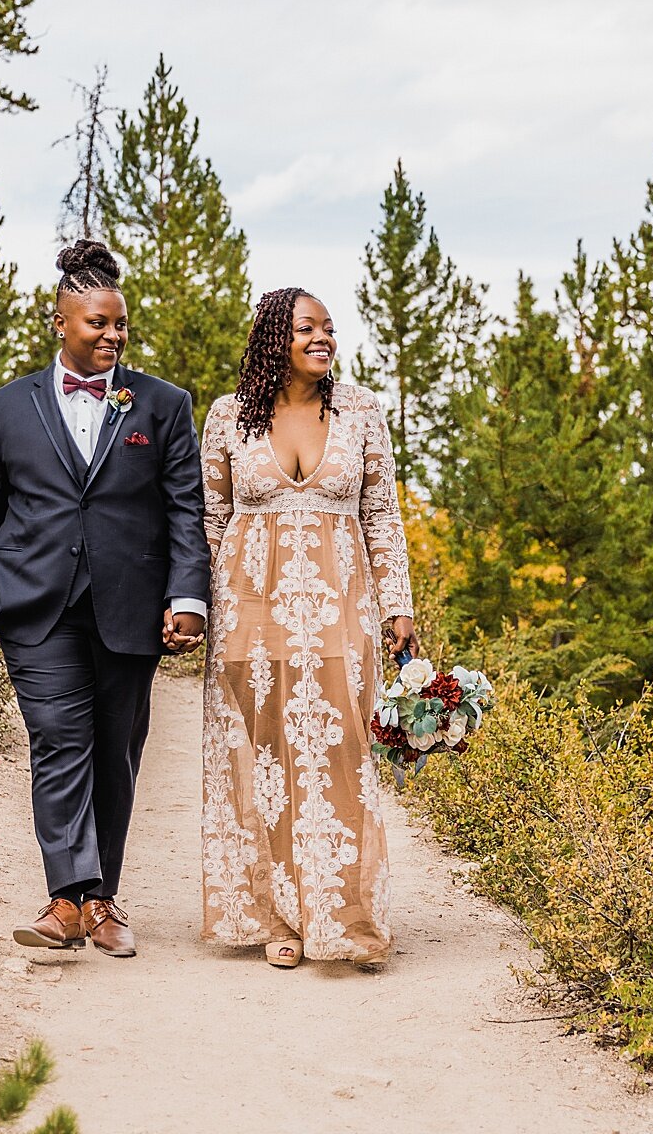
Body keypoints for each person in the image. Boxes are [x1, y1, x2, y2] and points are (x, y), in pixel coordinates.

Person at [0, 239, 210, 959]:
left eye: (119, 323)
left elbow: (183, 509)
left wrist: (188, 595)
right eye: (97, 322)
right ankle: (71, 900)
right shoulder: (6, 408)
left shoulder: (161, 406)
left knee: (115, 756)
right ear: (60, 322)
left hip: (129, 608)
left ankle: (99, 898)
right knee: (58, 742)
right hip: (34, 608)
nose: (112, 335)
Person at [198, 287, 418, 968]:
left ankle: (344, 918)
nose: (321, 337)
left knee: (339, 756)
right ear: (273, 338)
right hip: (248, 611)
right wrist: (201, 614)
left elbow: (381, 513)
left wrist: (397, 605)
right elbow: (210, 521)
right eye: (306, 328)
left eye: (328, 327)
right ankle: (276, 917)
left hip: (338, 611)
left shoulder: (360, 412)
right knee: (261, 762)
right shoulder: (228, 418)